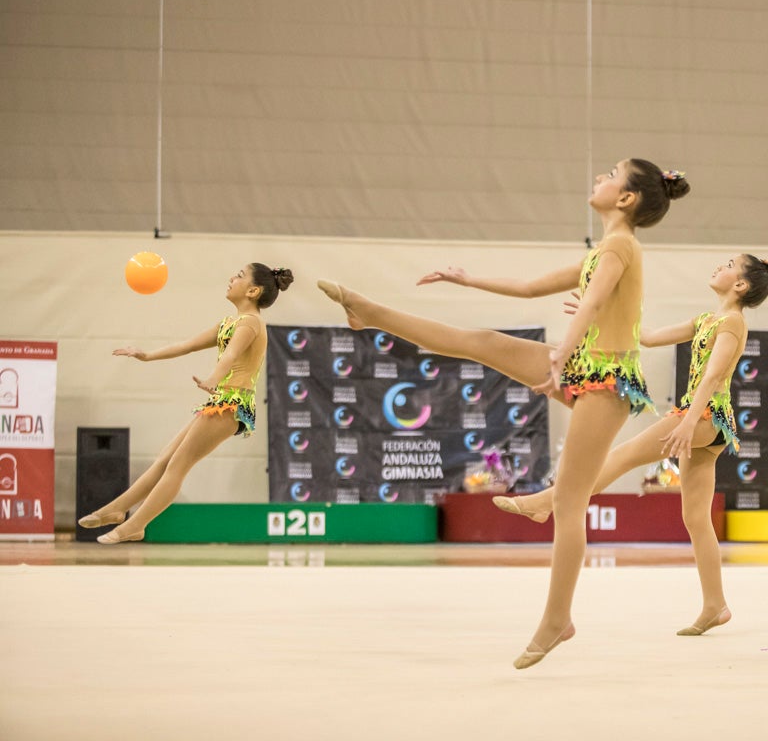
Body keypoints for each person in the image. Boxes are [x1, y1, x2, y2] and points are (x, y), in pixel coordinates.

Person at [315, 159, 689, 668]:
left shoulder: (620, 246)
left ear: (627, 198)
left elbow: (591, 303)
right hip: (588, 369)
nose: (600, 177)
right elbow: (533, 287)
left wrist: (559, 357)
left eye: (612, 173)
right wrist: (468, 281)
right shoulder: (604, 248)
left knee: (572, 504)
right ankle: (369, 312)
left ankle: (559, 619)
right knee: (481, 342)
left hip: (606, 384)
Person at [494, 254, 768, 637]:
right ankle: (716, 605)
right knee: (695, 519)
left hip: (704, 415)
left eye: (729, 264)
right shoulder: (705, 321)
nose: (719, 265)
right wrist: (599, 316)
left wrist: (688, 423)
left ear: (740, 285)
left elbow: (713, 376)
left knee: (622, 455)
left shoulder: (731, 323)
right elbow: (645, 337)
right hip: (708, 422)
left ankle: (545, 503)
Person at [79, 263, 293, 543]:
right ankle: (117, 510)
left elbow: (230, 356)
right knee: (165, 460)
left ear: (253, 290)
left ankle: (136, 524)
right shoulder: (229, 323)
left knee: (177, 465)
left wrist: (213, 379)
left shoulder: (251, 323)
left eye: (239, 276)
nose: (231, 277)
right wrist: (147, 355)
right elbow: (188, 344)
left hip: (232, 403)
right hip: (221, 401)